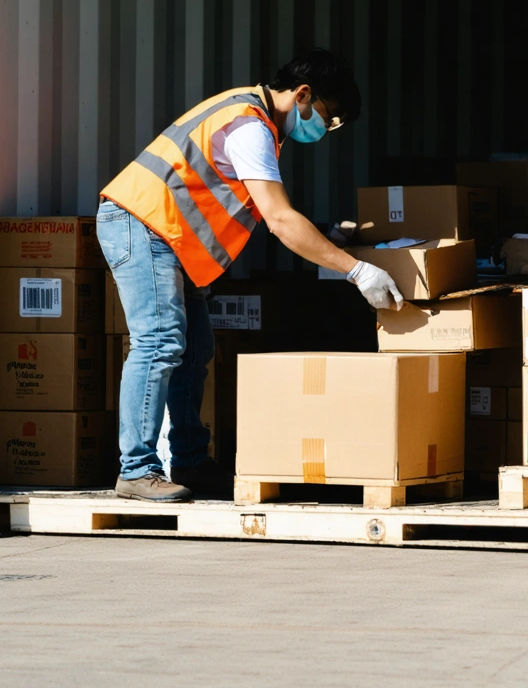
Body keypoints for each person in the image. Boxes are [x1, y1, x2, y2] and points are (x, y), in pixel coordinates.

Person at [97, 49, 403, 502]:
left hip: (172, 237)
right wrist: (354, 270)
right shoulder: (249, 125)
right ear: (302, 94)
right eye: (329, 117)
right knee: (160, 342)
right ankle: (137, 470)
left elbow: (260, 209)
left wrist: (325, 235)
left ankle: (190, 462)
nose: (327, 128)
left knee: (195, 348)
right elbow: (279, 220)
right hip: (144, 225)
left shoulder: (252, 119)